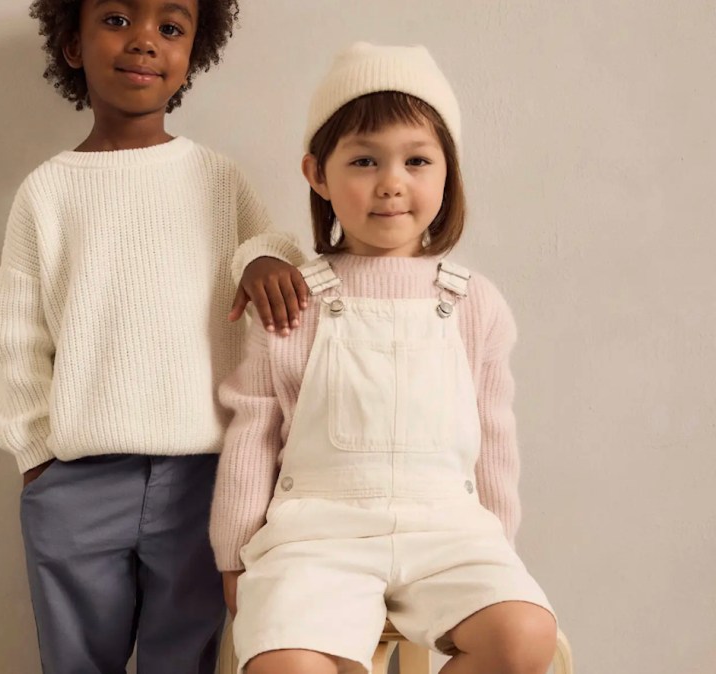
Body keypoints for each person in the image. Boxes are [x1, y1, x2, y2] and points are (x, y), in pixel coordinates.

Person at [210, 42, 558, 674]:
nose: (392, 182)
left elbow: (495, 435)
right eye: (364, 160)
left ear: (447, 171)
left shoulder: (474, 302)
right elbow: (253, 430)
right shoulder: (296, 298)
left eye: (417, 160)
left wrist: (500, 549)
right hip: (317, 539)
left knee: (526, 634)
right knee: (284, 665)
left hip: (450, 533)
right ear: (317, 174)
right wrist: (232, 555)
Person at [0, 1, 307, 672]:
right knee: (78, 662)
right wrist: (38, 457)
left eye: (170, 27)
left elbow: (269, 250)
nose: (144, 43)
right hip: (76, 480)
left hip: (203, 482)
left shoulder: (218, 178)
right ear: (73, 43)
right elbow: (17, 336)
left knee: (182, 660)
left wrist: (264, 258)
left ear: (193, 53)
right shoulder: (47, 192)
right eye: (117, 19)